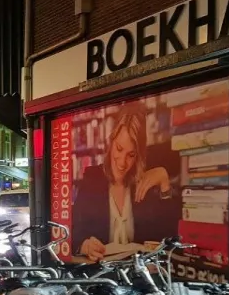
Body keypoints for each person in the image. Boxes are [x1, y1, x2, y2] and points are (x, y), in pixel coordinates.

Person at [73, 104, 179, 262]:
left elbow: (168, 238)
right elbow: (72, 232)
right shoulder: (91, 179)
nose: (122, 163)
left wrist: (164, 184)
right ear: (111, 142)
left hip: (138, 275)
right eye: (119, 149)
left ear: (139, 155)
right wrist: (85, 245)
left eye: (131, 155)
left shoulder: (145, 183)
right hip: (101, 274)